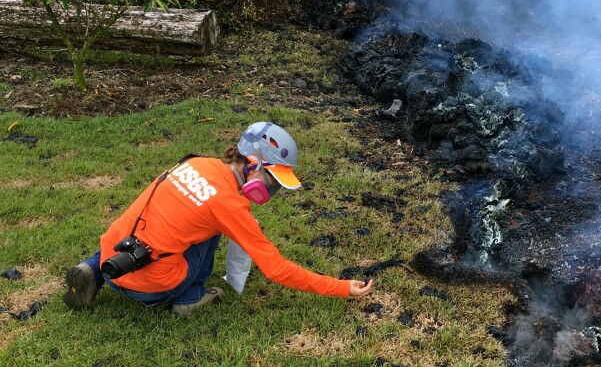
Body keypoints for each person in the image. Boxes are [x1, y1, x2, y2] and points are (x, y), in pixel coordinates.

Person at [63, 121, 372, 315]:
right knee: (210, 230)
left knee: (153, 219)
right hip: (150, 289)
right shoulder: (230, 206)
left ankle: (90, 270)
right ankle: (191, 297)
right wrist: (340, 287)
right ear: (253, 165)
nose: (274, 189)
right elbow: (276, 269)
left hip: (111, 260)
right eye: (274, 180)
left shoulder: (195, 163)